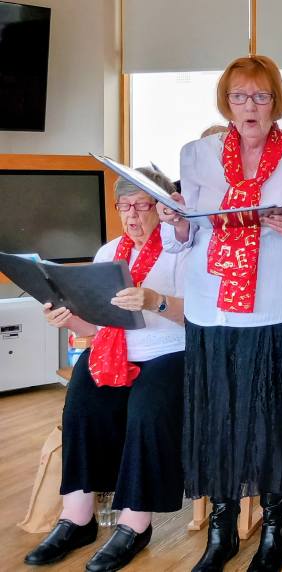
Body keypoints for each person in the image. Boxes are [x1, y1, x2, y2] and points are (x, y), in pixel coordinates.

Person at [158, 54, 282, 572]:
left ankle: (277, 528)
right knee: (216, 415)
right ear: (226, 101)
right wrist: (176, 221)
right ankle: (222, 527)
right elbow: (187, 236)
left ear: (276, 101)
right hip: (211, 304)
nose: (249, 106)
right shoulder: (197, 154)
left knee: (271, 419)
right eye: (239, 96)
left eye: (260, 96)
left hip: (274, 304)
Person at [24, 169, 186, 571]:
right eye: (124, 206)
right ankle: (76, 518)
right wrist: (68, 320)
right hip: (116, 350)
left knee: (147, 409)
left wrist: (154, 301)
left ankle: (135, 524)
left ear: (161, 206)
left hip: (172, 351)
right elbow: (97, 327)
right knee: (80, 401)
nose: (132, 216)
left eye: (143, 205)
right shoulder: (108, 252)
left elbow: (202, 317)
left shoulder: (182, 248)